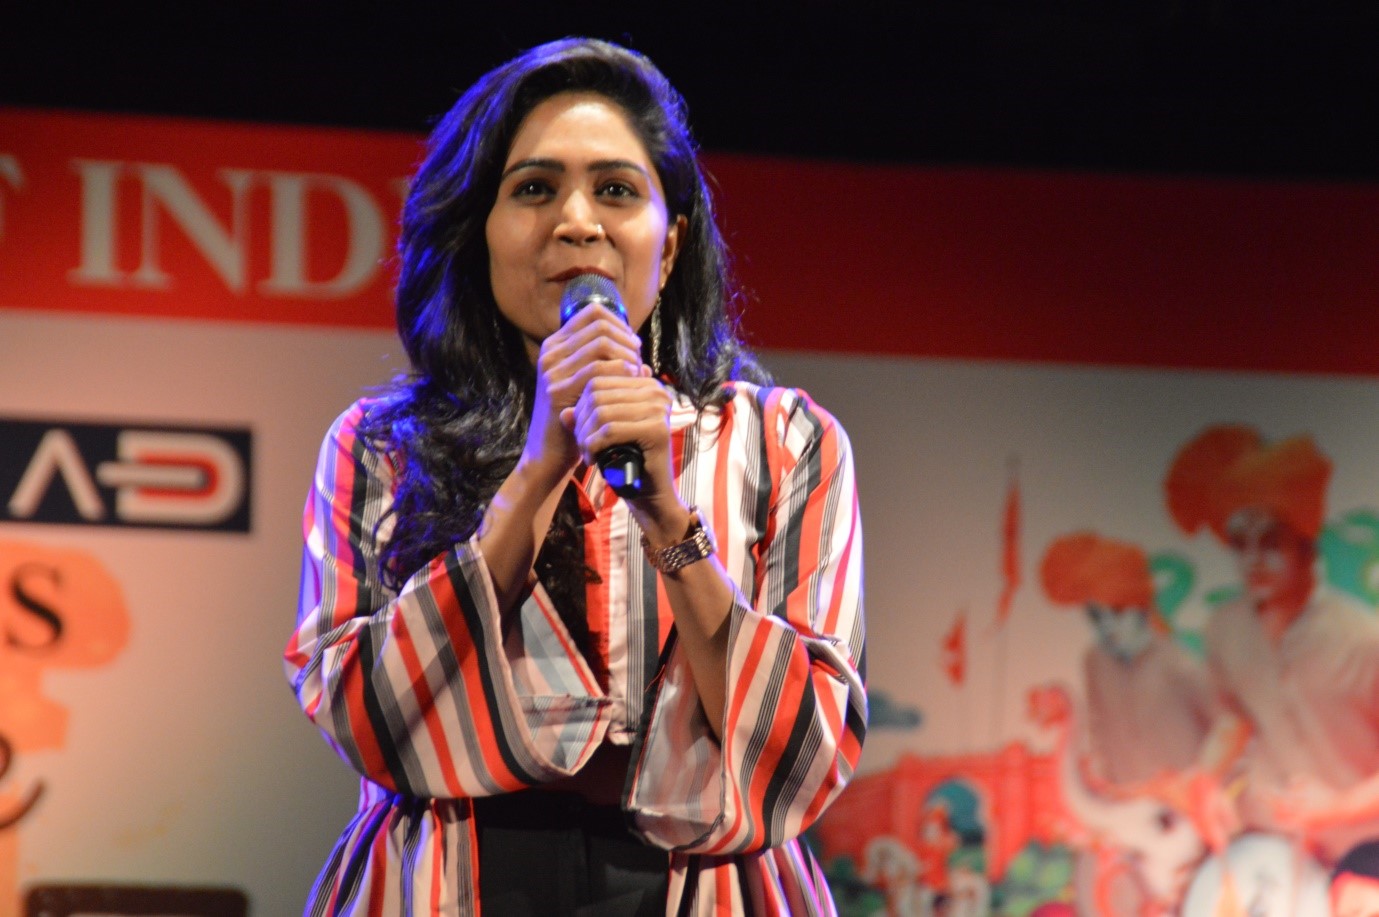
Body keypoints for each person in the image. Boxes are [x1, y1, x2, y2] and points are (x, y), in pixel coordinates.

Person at [283, 37, 867, 916]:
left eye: (616, 190)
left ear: (668, 247)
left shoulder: (787, 442)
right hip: (446, 884)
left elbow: (807, 751)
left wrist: (668, 517)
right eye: (533, 189)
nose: (577, 222)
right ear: (477, 233)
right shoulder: (381, 446)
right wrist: (537, 469)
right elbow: (359, 713)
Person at [1164, 424, 1379, 863]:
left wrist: (1339, 806)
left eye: (1270, 543)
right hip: (1271, 847)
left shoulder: (1362, 639)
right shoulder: (1225, 629)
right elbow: (1233, 719)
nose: (1252, 560)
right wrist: (1204, 779)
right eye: (1239, 544)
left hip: (1361, 855)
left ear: (1306, 545)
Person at [1039, 531, 1215, 788]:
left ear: (1141, 606)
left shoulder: (1177, 659)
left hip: (1185, 800)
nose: (1107, 627)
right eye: (1096, 617)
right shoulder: (1095, 662)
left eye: (1118, 612)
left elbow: (1224, 729)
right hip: (1127, 800)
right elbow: (1099, 732)